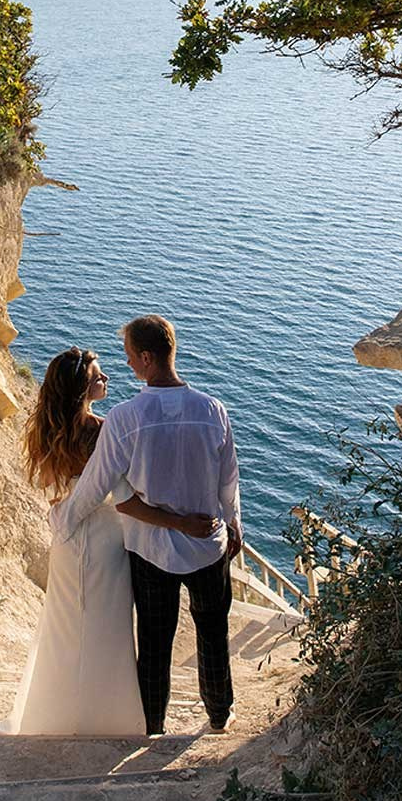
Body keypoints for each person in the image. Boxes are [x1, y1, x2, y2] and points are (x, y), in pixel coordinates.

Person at [0, 346, 216, 736]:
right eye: (97, 376)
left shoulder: (45, 429)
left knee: (64, 627)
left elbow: (56, 490)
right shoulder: (102, 431)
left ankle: (54, 713)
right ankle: (105, 715)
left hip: (66, 540)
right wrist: (181, 522)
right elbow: (126, 500)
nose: (106, 378)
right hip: (105, 541)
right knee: (107, 629)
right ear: (81, 389)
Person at [52, 314, 243, 737]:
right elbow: (229, 479)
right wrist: (234, 525)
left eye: (129, 356)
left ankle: (153, 727)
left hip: (151, 548)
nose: (126, 364)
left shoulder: (126, 417)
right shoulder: (213, 409)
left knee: (154, 643)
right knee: (213, 631)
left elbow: (97, 482)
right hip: (208, 541)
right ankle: (219, 714)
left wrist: (65, 521)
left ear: (145, 357)